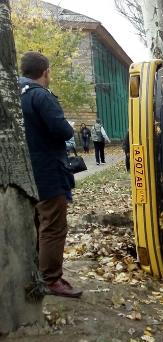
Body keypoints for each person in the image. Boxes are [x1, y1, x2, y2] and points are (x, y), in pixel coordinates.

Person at [19, 51, 82, 298]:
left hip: (25, 172)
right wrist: (69, 127)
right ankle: (50, 279)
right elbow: (62, 130)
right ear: (45, 72)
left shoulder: (14, 95)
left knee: (37, 223)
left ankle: (37, 273)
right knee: (53, 226)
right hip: (48, 171)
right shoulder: (40, 96)